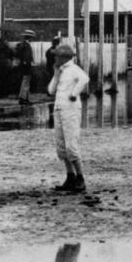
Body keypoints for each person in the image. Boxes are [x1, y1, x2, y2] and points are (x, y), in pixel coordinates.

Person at [47, 43, 90, 193]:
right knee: (61, 145)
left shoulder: (74, 69)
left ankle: (80, 178)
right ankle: (70, 176)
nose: (55, 58)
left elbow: (85, 79)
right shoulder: (61, 71)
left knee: (71, 144)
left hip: (70, 110)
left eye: (56, 56)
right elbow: (51, 90)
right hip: (59, 108)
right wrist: (56, 74)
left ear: (64, 57)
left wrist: (74, 93)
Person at [15, 30, 36, 104]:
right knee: (26, 81)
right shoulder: (26, 45)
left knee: (25, 81)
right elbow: (26, 56)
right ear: (29, 38)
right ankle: (23, 98)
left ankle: (24, 97)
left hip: (24, 64)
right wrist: (27, 62)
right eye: (31, 38)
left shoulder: (23, 44)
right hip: (26, 65)